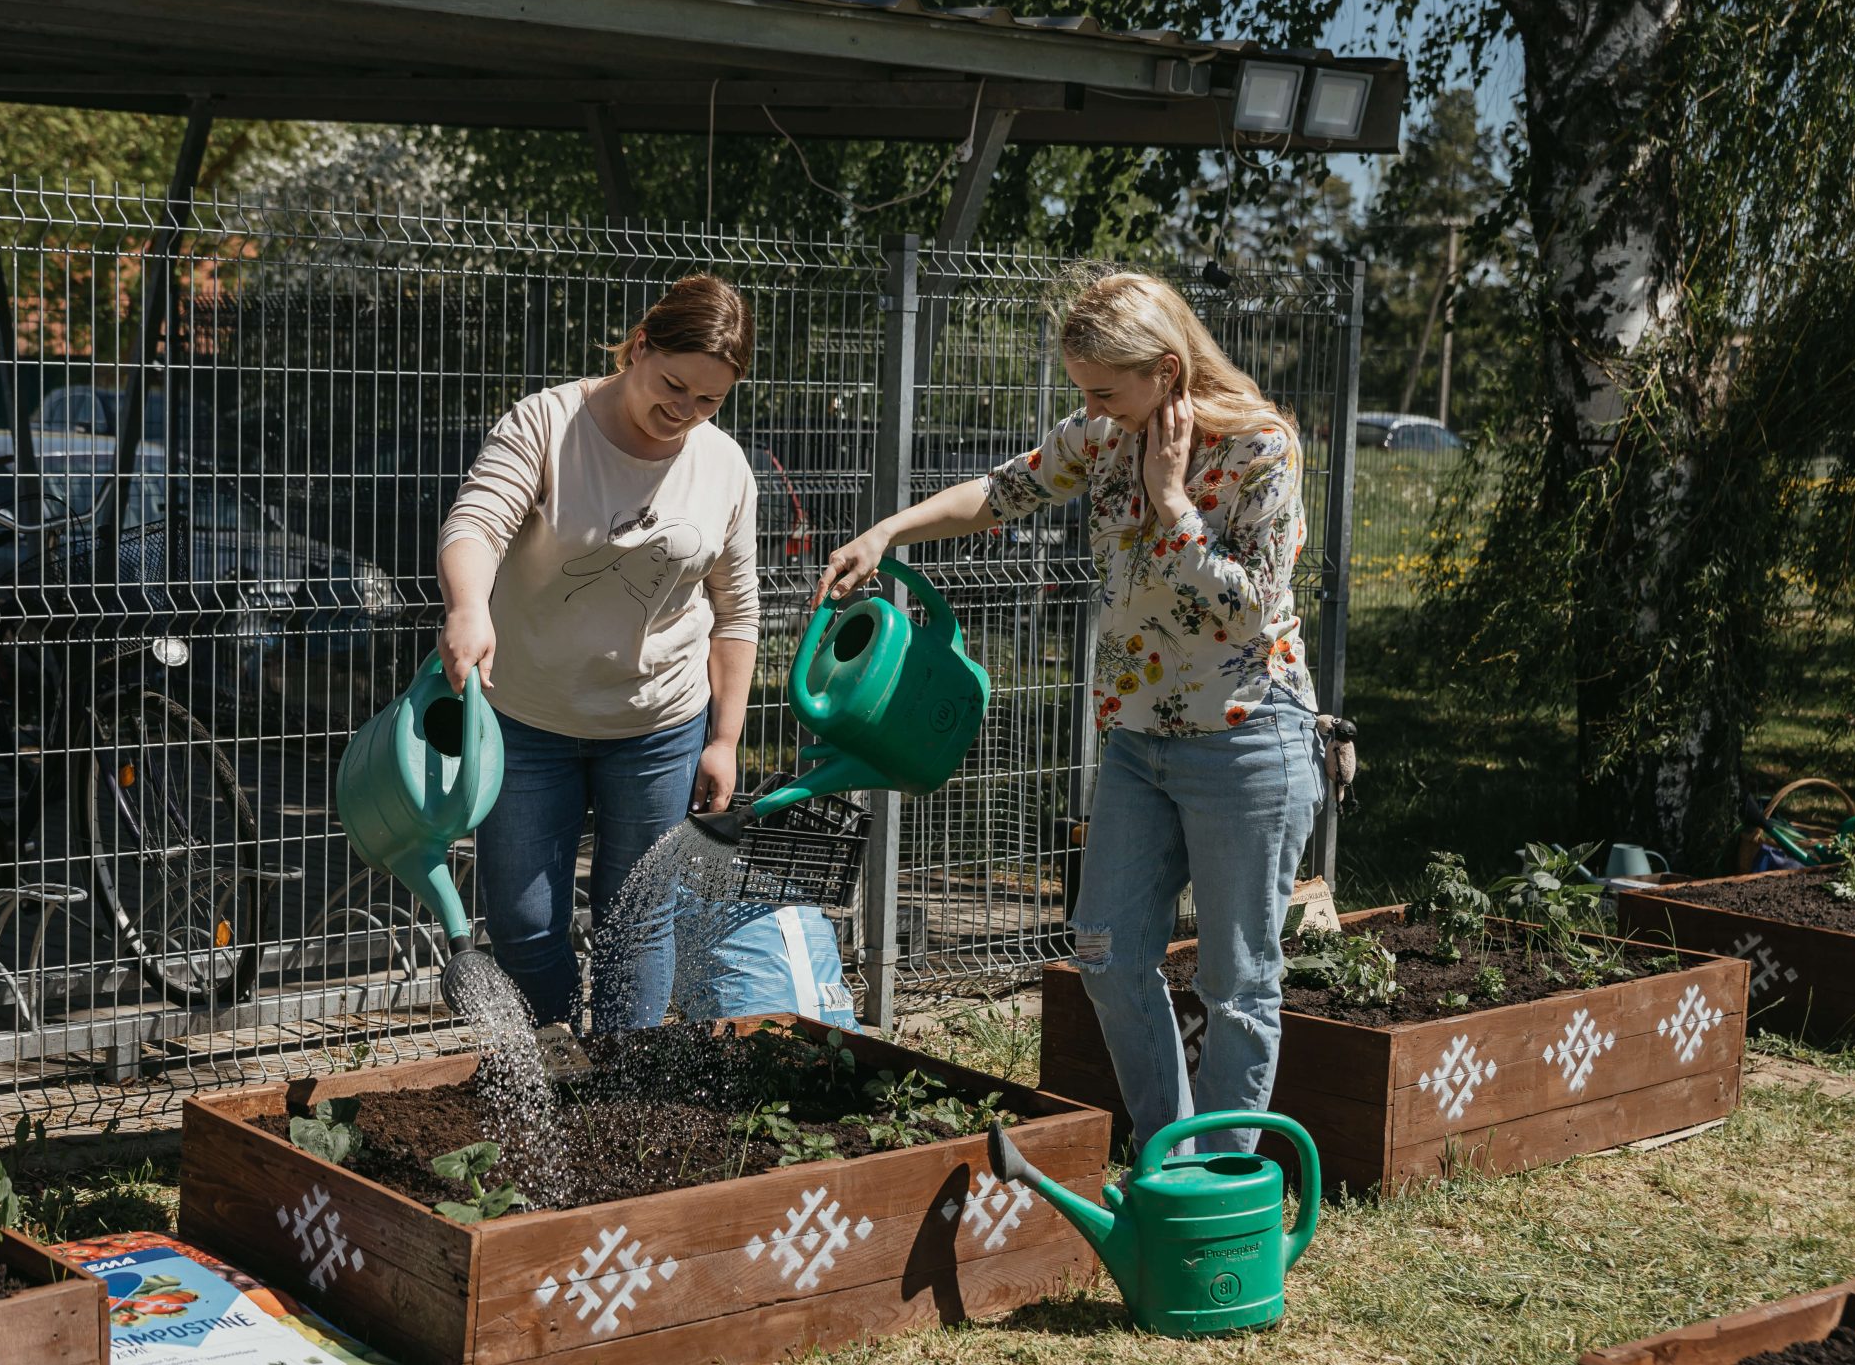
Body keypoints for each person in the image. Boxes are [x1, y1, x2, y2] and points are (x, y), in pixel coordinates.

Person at [814, 269, 1325, 1152]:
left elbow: (1249, 605)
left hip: (1246, 739)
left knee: (1237, 979)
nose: (1088, 409)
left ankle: (1215, 1181)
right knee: (1105, 949)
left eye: (1102, 389)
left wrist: (1172, 505)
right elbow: (1003, 491)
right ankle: (1169, 1145)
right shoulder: (1101, 434)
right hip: (1135, 739)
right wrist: (886, 532)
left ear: (1166, 370)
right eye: (1081, 392)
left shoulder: (1260, 450)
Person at [436, 274, 760, 1032]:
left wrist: (724, 739)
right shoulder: (547, 423)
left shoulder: (724, 467)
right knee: (523, 922)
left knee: (639, 921)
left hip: (658, 728)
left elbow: (736, 611)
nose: (684, 412)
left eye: (709, 401)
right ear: (640, 345)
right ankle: (551, 1070)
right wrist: (467, 607)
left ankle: (623, 1086)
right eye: (673, 385)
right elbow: (475, 524)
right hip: (525, 716)